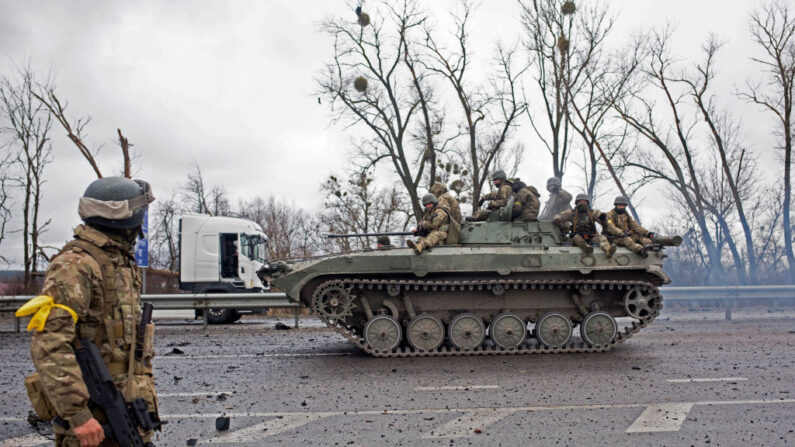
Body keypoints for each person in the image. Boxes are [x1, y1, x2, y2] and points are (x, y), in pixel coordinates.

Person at [21, 177, 159, 447]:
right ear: (124, 219)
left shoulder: (118, 261)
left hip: (127, 409)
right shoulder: (75, 265)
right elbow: (50, 345)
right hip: (93, 418)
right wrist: (78, 415)